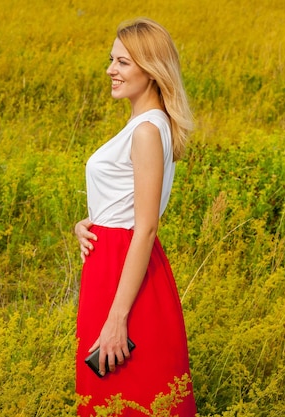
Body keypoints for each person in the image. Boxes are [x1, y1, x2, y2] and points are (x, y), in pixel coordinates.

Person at [73, 18, 197, 416]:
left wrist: (116, 319)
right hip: (112, 258)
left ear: (151, 68)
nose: (111, 69)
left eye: (124, 62)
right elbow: (127, 208)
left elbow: (145, 228)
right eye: (112, 60)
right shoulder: (146, 124)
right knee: (112, 395)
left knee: (127, 393)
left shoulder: (146, 130)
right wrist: (90, 222)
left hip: (123, 271)